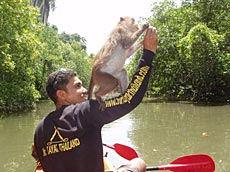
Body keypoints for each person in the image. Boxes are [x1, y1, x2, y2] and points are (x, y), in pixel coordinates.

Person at [33, 26, 158, 172]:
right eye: (78, 86)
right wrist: (148, 53)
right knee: (139, 162)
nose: (85, 90)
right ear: (61, 94)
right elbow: (130, 98)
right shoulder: (86, 112)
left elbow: (38, 156)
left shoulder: (39, 129)